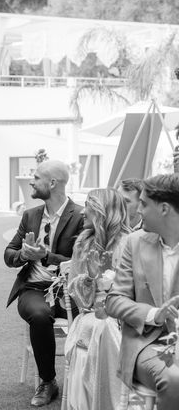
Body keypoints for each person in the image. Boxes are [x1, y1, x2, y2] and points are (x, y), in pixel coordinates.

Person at [4, 160, 84, 407]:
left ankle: (87, 379)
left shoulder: (81, 216)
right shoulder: (30, 215)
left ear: (52, 183)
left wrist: (46, 256)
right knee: (39, 315)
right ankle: (48, 381)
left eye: (36, 177)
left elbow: (82, 262)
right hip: (34, 289)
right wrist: (24, 255)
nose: (31, 181)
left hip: (70, 290)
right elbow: (9, 254)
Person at [106, 174, 179, 410]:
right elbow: (114, 301)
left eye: (145, 204)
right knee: (175, 379)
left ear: (165, 209)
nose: (138, 210)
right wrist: (155, 314)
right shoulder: (134, 242)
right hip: (147, 343)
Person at [64, 188, 130, 410]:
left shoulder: (129, 243)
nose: (82, 212)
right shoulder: (83, 244)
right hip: (92, 314)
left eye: (89, 207)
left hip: (125, 315)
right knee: (97, 327)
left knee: (106, 328)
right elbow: (80, 301)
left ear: (103, 212)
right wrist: (92, 277)